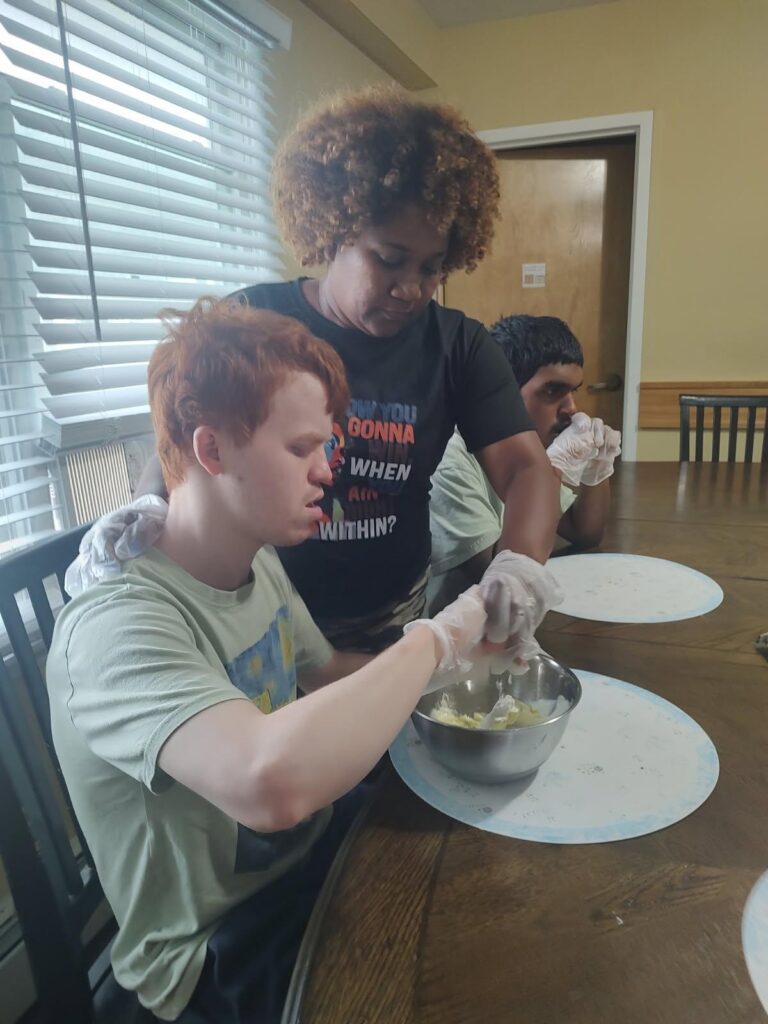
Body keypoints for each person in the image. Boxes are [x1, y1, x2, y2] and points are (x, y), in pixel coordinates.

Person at [48, 299, 490, 1024]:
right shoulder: (115, 627)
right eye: (301, 450)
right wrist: (435, 638)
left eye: (326, 446)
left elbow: (325, 675)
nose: (328, 471)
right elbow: (270, 785)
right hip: (209, 955)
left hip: (307, 862)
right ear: (212, 450)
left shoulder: (259, 565)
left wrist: (463, 663)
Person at [121, 84, 562, 664]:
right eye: (389, 259)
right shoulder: (254, 323)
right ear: (335, 228)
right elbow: (185, 445)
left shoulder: (458, 345)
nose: (411, 289)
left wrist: (520, 564)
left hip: (392, 613)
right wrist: (149, 511)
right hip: (259, 609)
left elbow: (528, 469)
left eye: (433, 268)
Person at [428, 315, 621, 612]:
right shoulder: (451, 459)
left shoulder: (530, 447)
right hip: (456, 637)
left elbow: (585, 532)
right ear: (502, 394)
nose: (571, 409)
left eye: (573, 391)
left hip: (503, 626)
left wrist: (597, 468)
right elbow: (501, 581)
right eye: (552, 391)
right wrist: (553, 469)